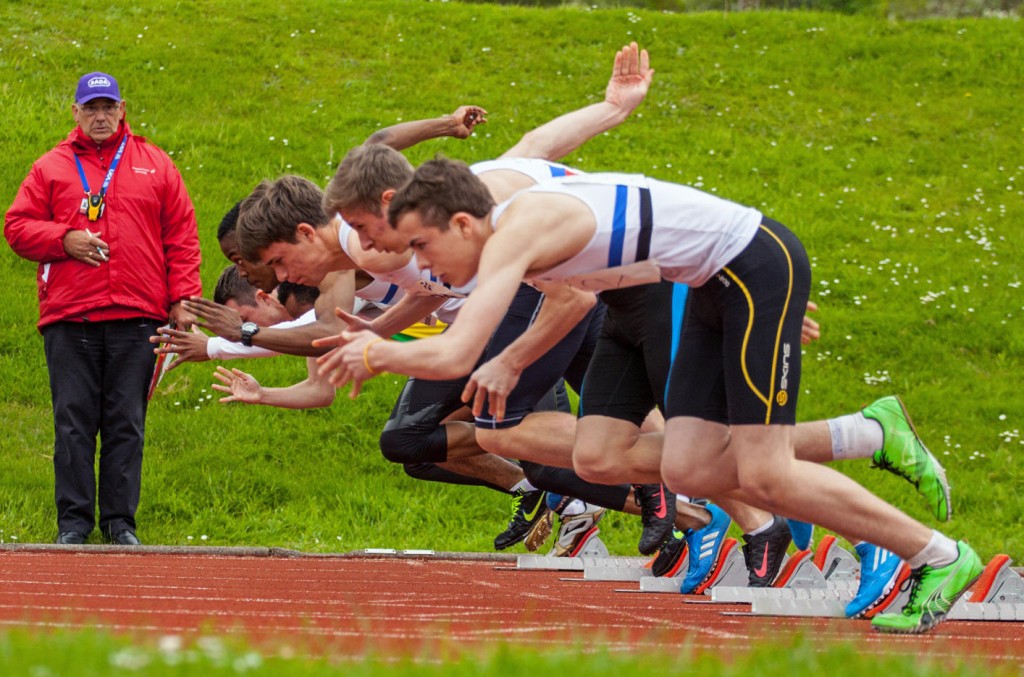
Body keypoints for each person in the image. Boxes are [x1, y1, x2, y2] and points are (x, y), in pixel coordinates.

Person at [319, 157, 975, 634]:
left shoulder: (516, 232)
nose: (426, 270)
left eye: (424, 248)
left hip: (746, 269)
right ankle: (866, 436)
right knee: (686, 466)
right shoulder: (515, 229)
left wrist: (372, 351)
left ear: (462, 222)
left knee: (762, 469)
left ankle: (936, 554)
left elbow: (457, 354)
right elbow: (643, 248)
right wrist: (768, 299)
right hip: (725, 282)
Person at [4, 71, 202, 546]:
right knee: (73, 422)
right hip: (71, 316)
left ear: (122, 109)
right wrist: (63, 239)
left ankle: (120, 524)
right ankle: (73, 524)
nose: (99, 116)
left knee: (126, 424)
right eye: (90, 108)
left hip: (139, 315)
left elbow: (182, 238)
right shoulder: (50, 167)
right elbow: (16, 227)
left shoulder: (155, 164)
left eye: (107, 107)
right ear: (75, 112)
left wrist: (184, 302)